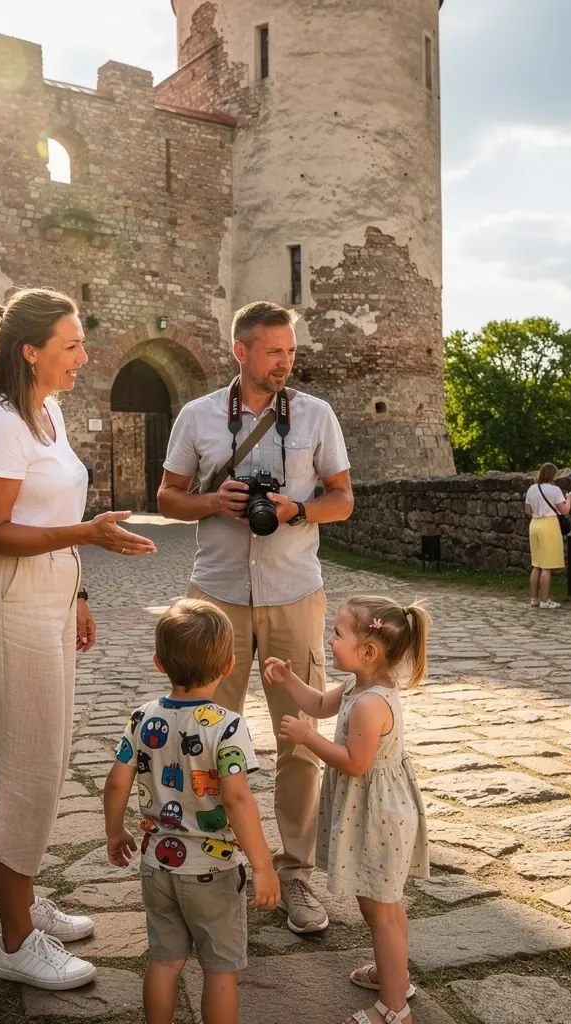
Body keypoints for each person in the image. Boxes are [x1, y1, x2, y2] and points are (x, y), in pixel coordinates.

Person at [0, 286, 156, 991]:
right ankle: (15, 941)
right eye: (71, 346)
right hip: (10, 599)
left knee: (44, 757)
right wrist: (88, 536)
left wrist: (77, 592)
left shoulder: (49, 413)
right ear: (30, 351)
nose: (84, 357)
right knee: (19, 765)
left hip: (48, 595)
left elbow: (51, 509)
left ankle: (25, 901)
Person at [157, 300, 354, 934]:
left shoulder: (317, 415)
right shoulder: (197, 415)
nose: (285, 362)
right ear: (240, 351)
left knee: (300, 738)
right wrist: (214, 501)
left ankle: (297, 874)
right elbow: (166, 497)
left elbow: (343, 499)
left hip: (294, 591)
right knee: (208, 737)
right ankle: (217, 866)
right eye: (274, 351)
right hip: (216, 595)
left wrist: (298, 510)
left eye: (290, 351)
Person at [104, 599, 280, 1024]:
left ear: (159, 662)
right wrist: (263, 865)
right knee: (219, 970)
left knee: (164, 962)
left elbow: (116, 782)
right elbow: (236, 799)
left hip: (157, 865)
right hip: (213, 872)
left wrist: (115, 831)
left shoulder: (142, 718)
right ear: (229, 665)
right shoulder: (228, 726)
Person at [264, 595, 431, 1024]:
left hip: (378, 819)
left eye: (337, 634)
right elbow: (320, 704)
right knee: (386, 906)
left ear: (368, 651)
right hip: (378, 814)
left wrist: (307, 738)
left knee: (379, 911)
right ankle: (395, 977)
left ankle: (393, 1008)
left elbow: (355, 762)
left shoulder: (371, 704)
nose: (330, 640)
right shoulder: (360, 686)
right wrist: (289, 680)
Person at [524, 462, 571, 609]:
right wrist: (569, 499)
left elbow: (528, 511)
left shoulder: (532, 489)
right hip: (549, 525)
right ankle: (545, 600)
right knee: (547, 566)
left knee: (536, 564)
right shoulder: (555, 490)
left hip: (535, 524)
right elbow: (564, 511)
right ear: (552, 475)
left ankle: (534, 599)